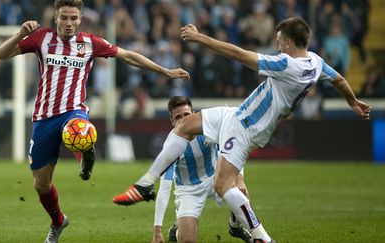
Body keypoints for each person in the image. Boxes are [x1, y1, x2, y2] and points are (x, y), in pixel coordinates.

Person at [113, 17, 371, 243]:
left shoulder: (285, 64)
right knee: (184, 125)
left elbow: (238, 54)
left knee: (223, 185)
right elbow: (338, 78)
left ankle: (261, 237)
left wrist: (200, 38)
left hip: (246, 126)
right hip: (236, 115)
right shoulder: (315, 63)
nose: (278, 45)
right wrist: (352, 101)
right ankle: (146, 184)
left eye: (280, 41)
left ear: (290, 43)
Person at [0, 1, 189, 242]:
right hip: (44, 117)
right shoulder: (41, 39)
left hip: (73, 111)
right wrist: (20, 34)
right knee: (40, 185)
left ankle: (85, 154)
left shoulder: (90, 42)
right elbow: (0, 54)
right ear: (55, 17)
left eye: (73, 18)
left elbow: (128, 55)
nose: (68, 23)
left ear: (80, 18)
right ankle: (58, 221)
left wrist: (165, 71)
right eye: (64, 17)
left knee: (78, 130)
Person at [150, 96, 251, 243]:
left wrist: (240, 179)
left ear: (194, 113)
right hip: (189, 190)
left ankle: (235, 227)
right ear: (172, 122)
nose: (183, 120)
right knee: (188, 240)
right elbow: (164, 188)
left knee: (242, 192)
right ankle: (179, 230)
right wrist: (157, 230)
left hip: (216, 177)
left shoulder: (208, 128)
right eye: (178, 117)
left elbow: (234, 149)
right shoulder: (170, 147)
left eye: (186, 115)